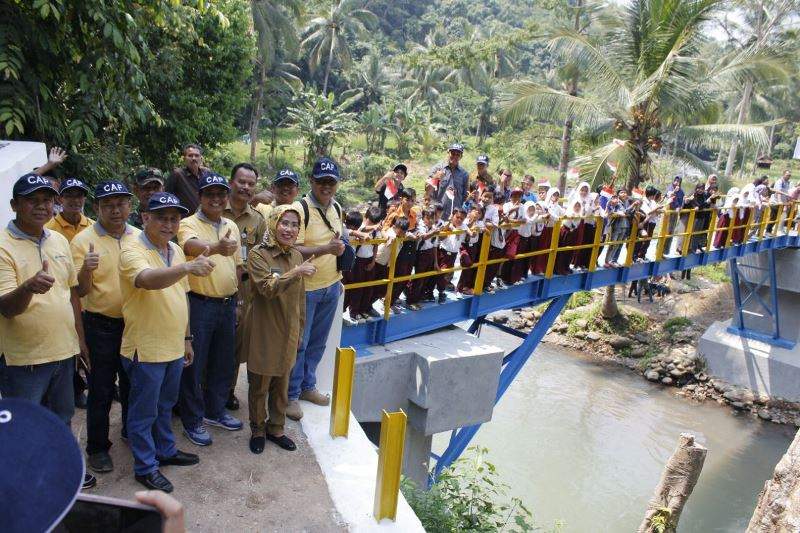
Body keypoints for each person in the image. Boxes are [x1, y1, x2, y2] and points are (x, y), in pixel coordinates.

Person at [0, 173, 95, 490]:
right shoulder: (2, 246)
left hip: (63, 352)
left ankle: (63, 475)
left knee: (62, 419)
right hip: (24, 359)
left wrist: (80, 342)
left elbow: (73, 293)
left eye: (46, 200)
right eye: (31, 200)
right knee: (24, 426)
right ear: (15, 205)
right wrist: (28, 287)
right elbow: (7, 308)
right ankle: (27, 488)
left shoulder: (57, 241)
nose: (41, 206)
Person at [118, 191, 212, 492]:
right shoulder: (131, 250)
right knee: (143, 410)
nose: (169, 224)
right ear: (146, 217)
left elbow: (182, 294)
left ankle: (166, 451)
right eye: (162, 217)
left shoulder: (174, 248)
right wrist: (186, 267)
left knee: (166, 404)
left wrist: (187, 338)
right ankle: (145, 467)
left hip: (173, 344)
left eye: (174, 218)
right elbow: (147, 279)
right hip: (144, 348)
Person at [71, 180, 140, 474]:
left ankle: (128, 431)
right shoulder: (82, 241)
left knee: (132, 383)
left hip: (135, 323)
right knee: (100, 389)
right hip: (101, 326)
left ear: (130, 206)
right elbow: (81, 291)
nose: (115, 209)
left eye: (121, 203)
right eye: (108, 204)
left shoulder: (139, 236)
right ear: (97, 207)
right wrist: (86, 268)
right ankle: (97, 447)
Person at [177, 173, 244, 446]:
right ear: (200, 197)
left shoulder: (231, 225)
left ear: (226, 197)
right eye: (210, 194)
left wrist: (238, 300)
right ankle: (192, 420)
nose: (216, 199)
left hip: (227, 304)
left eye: (220, 194)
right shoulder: (187, 223)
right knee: (194, 365)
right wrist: (216, 247)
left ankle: (215, 411)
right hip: (199, 304)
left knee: (222, 362)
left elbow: (238, 265)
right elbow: (189, 246)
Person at [244, 205, 316, 454]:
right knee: (260, 384)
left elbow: (300, 300)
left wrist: (301, 330)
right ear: (274, 223)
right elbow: (266, 288)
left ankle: (276, 428)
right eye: (285, 223)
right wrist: (295, 272)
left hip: (289, 330)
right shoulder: (258, 254)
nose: (289, 229)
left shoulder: (296, 255)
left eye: (295, 225)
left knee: (282, 384)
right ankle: (257, 429)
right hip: (264, 329)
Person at [289, 157, 347, 421]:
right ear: (311, 181)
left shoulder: (337, 208)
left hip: (331, 285)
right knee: (299, 343)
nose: (326, 187)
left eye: (330, 182)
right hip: (306, 289)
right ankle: (290, 395)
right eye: (321, 181)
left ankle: (307, 386)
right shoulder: (300, 210)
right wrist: (325, 249)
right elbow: (292, 249)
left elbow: (339, 240)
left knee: (318, 343)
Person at [223, 163, 268, 411]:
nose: (246, 187)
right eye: (242, 182)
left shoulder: (258, 220)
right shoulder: (216, 210)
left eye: (251, 184)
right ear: (232, 182)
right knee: (210, 345)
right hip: (214, 287)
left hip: (245, 292)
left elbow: (262, 256)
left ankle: (227, 391)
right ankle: (203, 393)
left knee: (235, 346)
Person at [344, 206, 382, 321]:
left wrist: (373, 261)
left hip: (369, 259)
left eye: (376, 221)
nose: (374, 224)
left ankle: (363, 309)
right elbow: (362, 230)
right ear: (366, 218)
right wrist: (373, 227)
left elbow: (376, 246)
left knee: (368, 287)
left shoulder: (376, 232)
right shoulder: (359, 227)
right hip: (358, 261)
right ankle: (354, 312)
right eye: (371, 220)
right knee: (357, 287)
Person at [406, 207, 440, 310]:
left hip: (429, 254)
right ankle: (411, 300)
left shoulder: (434, 227)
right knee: (419, 278)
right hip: (420, 254)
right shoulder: (420, 226)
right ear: (424, 217)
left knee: (425, 278)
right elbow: (423, 237)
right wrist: (433, 233)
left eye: (432, 218)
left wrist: (435, 262)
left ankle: (417, 297)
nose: (430, 220)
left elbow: (434, 245)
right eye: (428, 217)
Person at [436, 207, 469, 303]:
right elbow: (440, 238)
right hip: (444, 252)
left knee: (448, 273)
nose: (459, 220)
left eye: (461, 218)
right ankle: (440, 291)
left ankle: (441, 290)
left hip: (453, 254)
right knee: (442, 273)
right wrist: (447, 228)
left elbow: (470, 234)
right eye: (457, 217)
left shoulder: (463, 227)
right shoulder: (447, 225)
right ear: (452, 216)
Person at [45, 178, 94, 242]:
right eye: (69, 196)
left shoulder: (93, 226)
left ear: (84, 199)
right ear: (59, 199)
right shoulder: (48, 229)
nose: (76, 200)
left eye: (79, 196)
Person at [166, 144, 209, 214]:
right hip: (185, 220)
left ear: (201, 158)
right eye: (190, 155)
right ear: (184, 159)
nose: (194, 158)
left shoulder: (206, 173)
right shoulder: (178, 174)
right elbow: (167, 196)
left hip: (205, 219)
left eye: (197, 155)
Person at [430, 143, 469, 220]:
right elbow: (427, 189)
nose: (455, 156)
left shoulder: (464, 174)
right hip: (437, 214)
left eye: (458, 154)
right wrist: (435, 178)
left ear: (461, 157)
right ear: (448, 153)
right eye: (453, 153)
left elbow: (465, 196)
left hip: (455, 217)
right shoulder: (438, 169)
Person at [532, 188, 562, 275]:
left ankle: (546, 268)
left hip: (553, 230)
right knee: (542, 248)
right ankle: (537, 268)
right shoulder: (545, 204)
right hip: (544, 229)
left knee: (550, 249)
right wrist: (552, 216)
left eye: (557, 195)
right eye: (554, 195)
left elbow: (561, 214)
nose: (555, 197)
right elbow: (553, 216)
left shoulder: (557, 206)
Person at [663, 176, 685, 255]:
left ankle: (666, 251)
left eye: (678, 181)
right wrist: (674, 191)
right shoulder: (670, 188)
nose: (676, 183)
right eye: (675, 181)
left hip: (675, 214)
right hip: (668, 213)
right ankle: (659, 251)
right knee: (665, 231)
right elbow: (669, 196)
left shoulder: (681, 191)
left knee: (671, 232)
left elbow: (682, 201)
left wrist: (679, 207)